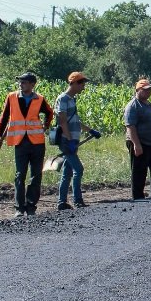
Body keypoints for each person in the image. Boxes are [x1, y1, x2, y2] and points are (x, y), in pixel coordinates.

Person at [0, 71, 54, 216]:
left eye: (24, 82)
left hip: (37, 142)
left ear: (32, 85)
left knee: (36, 175)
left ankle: (31, 206)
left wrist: (45, 125)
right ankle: (19, 208)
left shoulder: (39, 99)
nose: (21, 84)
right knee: (20, 175)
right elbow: (4, 118)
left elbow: (50, 113)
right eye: (20, 82)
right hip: (20, 142)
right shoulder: (12, 97)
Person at [55, 71, 102, 211]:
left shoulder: (71, 99)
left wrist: (90, 130)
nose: (83, 87)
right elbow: (63, 122)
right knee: (79, 169)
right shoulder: (63, 99)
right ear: (74, 83)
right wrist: (69, 140)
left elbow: (75, 120)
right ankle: (77, 200)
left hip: (72, 140)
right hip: (66, 141)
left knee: (67, 172)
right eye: (81, 83)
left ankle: (62, 202)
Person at [124, 78, 151, 201]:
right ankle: (138, 196)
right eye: (145, 90)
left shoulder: (147, 104)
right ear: (137, 90)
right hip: (139, 142)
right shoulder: (133, 106)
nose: (148, 92)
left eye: (149, 90)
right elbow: (130, 126)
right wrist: (136, 145)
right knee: (139, 170)